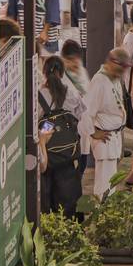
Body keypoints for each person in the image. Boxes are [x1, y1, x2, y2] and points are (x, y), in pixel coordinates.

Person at [37, 55, 85, 216]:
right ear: (62, 72)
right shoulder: (71, 92)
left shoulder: (38, 95)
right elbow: (81, 114)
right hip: (67, 152)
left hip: (48, 151)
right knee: (68, 196)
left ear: (44, 73)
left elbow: (34, 120)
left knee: (46, 191)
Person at [83, 47, 133, 195]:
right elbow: (86, 112)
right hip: (105, 138)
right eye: (122, 67)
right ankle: (102, 212)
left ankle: (108, 211)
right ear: (112, 62)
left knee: (111, 181)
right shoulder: (99, 81)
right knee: (104, 183)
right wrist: (93, 133)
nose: (123, 72)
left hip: (114, 138)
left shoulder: (114, 78)